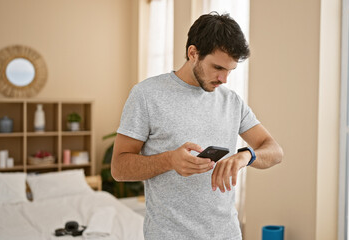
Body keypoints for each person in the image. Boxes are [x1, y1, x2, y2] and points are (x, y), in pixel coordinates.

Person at [111, 12, 284, 240]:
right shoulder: (146, 95)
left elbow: (274, 151)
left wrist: (245, 156)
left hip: (227, 234)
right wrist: (169, 160)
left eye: (230, 71)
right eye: (218, 68)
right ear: (193, 53)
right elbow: (119, 168)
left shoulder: (231, 101)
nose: (224, 79)